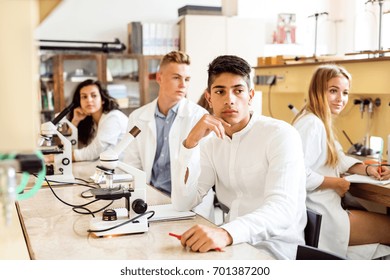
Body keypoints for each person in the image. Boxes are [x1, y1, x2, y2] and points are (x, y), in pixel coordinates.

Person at [171, 55, 307, 260]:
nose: (230, 99)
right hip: (230, 247)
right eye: (220, 91)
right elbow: (184, 202)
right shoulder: (210, 142)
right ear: (209, 98)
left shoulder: (280, 135)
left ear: (251, 95)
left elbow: (282, 210)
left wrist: (226, 233)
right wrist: (190, 143)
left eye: (238, 90)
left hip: (273, 249)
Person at [292, 64, 390, 259]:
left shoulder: (318, 120)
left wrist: (368, 169)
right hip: (322, 216)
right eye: (333, 91)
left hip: (325, 210)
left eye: (345, 92)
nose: (341, 99)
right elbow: (297, 175)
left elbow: (338, 158)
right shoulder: (312, 124)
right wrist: (335, 182)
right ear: (317, 90)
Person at [122, 51, 215, 221]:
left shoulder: (199, 118)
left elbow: (203, 173)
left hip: (189, 205)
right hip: (150, 199)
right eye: (176, 78)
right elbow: (132, 165)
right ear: (159, 78)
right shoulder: (137, 117)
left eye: (187, 79)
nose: (183, 85)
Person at [68, 79, 128, 161]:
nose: (89, 100)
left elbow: (94, 151)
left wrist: (61, 158)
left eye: (94, 95)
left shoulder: (113, 117)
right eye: (84, 97)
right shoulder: (91, 122)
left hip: (123, 169)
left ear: (102, 99)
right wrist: (75, 121)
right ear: (79, 102)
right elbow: (73, 148)